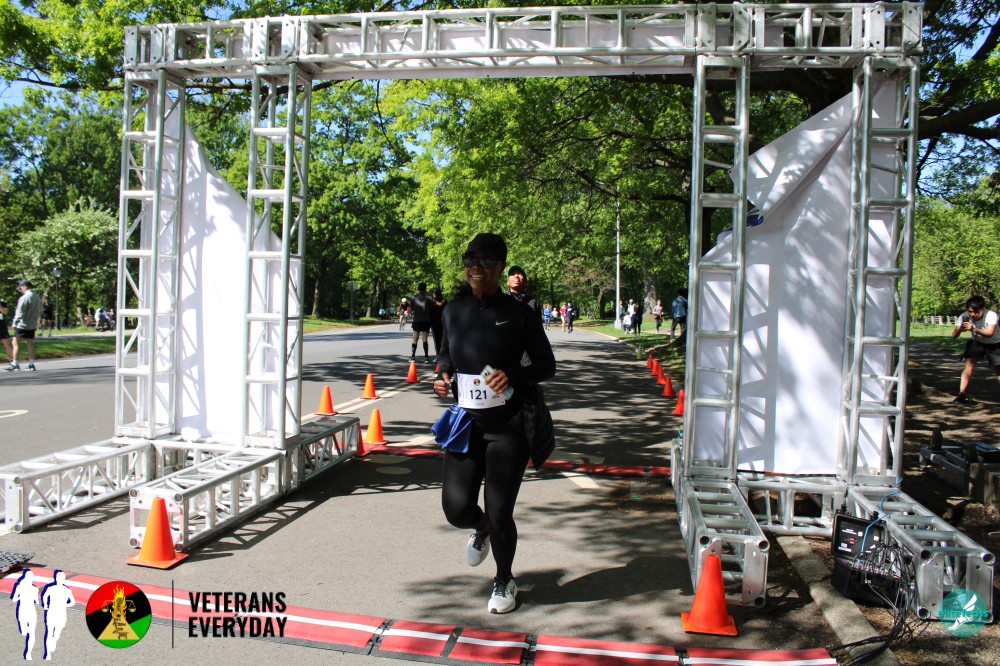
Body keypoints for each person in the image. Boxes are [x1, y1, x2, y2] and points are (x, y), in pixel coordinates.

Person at [432, 232, 556, 615]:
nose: (476, 267)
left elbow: (546, 365)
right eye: (470, 259)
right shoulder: (453, 311)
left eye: (485, 261)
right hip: (466, 424)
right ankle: (481, 528)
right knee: (455, 509)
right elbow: (446, 355)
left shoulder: (519, 313)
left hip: (508, 426)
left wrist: (513, 375)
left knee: (500, 510)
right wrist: (443, 376)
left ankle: (504, 579)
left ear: (501, 267)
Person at [951, 295, 1000, 404]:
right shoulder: (964, 316)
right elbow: (954, 336)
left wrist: (974, 329)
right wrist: (959, 329)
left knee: (998, 371)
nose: (972, 314)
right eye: (970, 311)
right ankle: (962, 394)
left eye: (976, 312)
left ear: (983, 309)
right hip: (977, 342)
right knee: (968, 367)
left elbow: (989, 334)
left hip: (994, 343)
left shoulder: (991, 315)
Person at [7, 280, 43, 372]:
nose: (21, 290)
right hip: (32, 323)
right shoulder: (37, 297)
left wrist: (15, 323)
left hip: (22, 324)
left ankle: (15, 364)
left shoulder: (25, 297)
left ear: (25, 286)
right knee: (30, 343)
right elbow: (40, 311)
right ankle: (31, 364)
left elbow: (20, 312)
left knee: (16, 342)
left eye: (21, 288)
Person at [41, 570, 75, 660]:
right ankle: (47, 653)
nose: (60, 579)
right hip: (51, 612)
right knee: (49, 632)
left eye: (61, 578)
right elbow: (45, 596)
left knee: (56, 634)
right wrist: (45, 604)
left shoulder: (66, 590)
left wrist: (65, 605)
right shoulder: (50, 588)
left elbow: (72, 602)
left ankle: (54, 640)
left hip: (61, 613)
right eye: (58, 578)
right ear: (56, 578)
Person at [10, 568, 39, 660]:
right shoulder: (23, 587)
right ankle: (28, 652)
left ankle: (28, 653)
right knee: (25, 632)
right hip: (25, 610)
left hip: (28, 611)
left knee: (31, 632)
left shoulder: (31, 588)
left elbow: (14, 599)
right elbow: (36, 601)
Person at [409, 282, 434, 362]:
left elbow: (409, 309)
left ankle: (413, 357)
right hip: (426, 320)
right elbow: (433, 308)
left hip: (416, 320)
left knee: (415, 339)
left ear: (418, 288)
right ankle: (426, 357)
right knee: (425, 339)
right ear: (425, 288)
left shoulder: (414, 298)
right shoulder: (429, 298)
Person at [429, 287, 447, 360]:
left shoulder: (431, 302)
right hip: (443, 322)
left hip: (434, 323)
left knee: (437, 340)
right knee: (443, 339)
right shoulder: (445, 301)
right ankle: (443, 355)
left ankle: (439, 355)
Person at [0, 298, 12, 365]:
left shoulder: (3, 303)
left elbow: (5, 312)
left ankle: (12, 361)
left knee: (7, 343)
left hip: (1, 325)